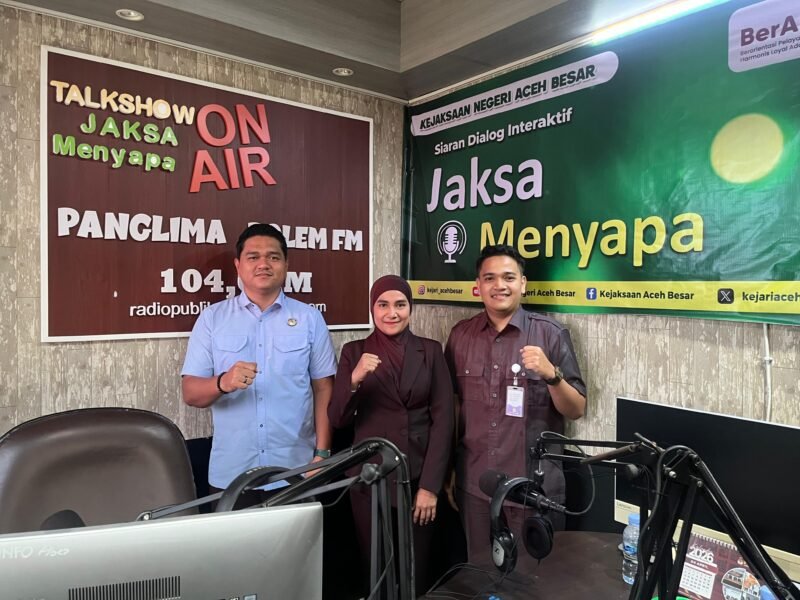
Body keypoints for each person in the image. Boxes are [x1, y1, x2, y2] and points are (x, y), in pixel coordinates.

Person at [445, 244, 586, 565]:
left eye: (509, 277)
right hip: (476, 487)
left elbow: (576, 409)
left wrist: (552, 375)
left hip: (534, 491)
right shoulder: (460, 337)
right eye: (489, 278)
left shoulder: (550, 335)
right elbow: (453, 408)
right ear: (477, 286)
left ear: (523, 283)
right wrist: (449, 468)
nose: (499, 286)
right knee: (481, 578)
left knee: (534, 585)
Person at [181, 223, 337, 500]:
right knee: (235, 545)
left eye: (273, 257)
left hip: (297, 470)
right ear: (238, 265)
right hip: (232, 474)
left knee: (301, 545)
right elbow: (191, 393)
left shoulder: (310, 319)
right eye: (253, 257)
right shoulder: (212, 319)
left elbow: (324, 388)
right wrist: (223, 382)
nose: (264, 264)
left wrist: (322, 454)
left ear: (286, 265)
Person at [329, 275, 454, 595]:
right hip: (370, 479)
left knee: (418, 567)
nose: (392, 313)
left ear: (410, 308)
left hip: (417, 477)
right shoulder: (354, 351)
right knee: (376, 566)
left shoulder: (430, 350)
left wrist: (430, 486)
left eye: (400, 305)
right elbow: (337, 419)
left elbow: (443, 421)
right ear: (373, 309)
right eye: (383, 305)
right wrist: (354, 379)